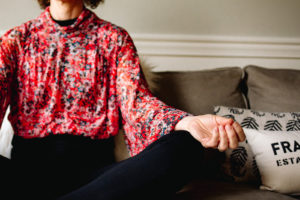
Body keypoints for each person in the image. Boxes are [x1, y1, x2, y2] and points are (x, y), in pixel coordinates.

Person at [0, 0, 246, 199]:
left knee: (186, 146)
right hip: (27, 174)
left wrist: (186, 123)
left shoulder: (115, 39)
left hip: (100, 177)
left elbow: (137, 103)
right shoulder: (16, 39)